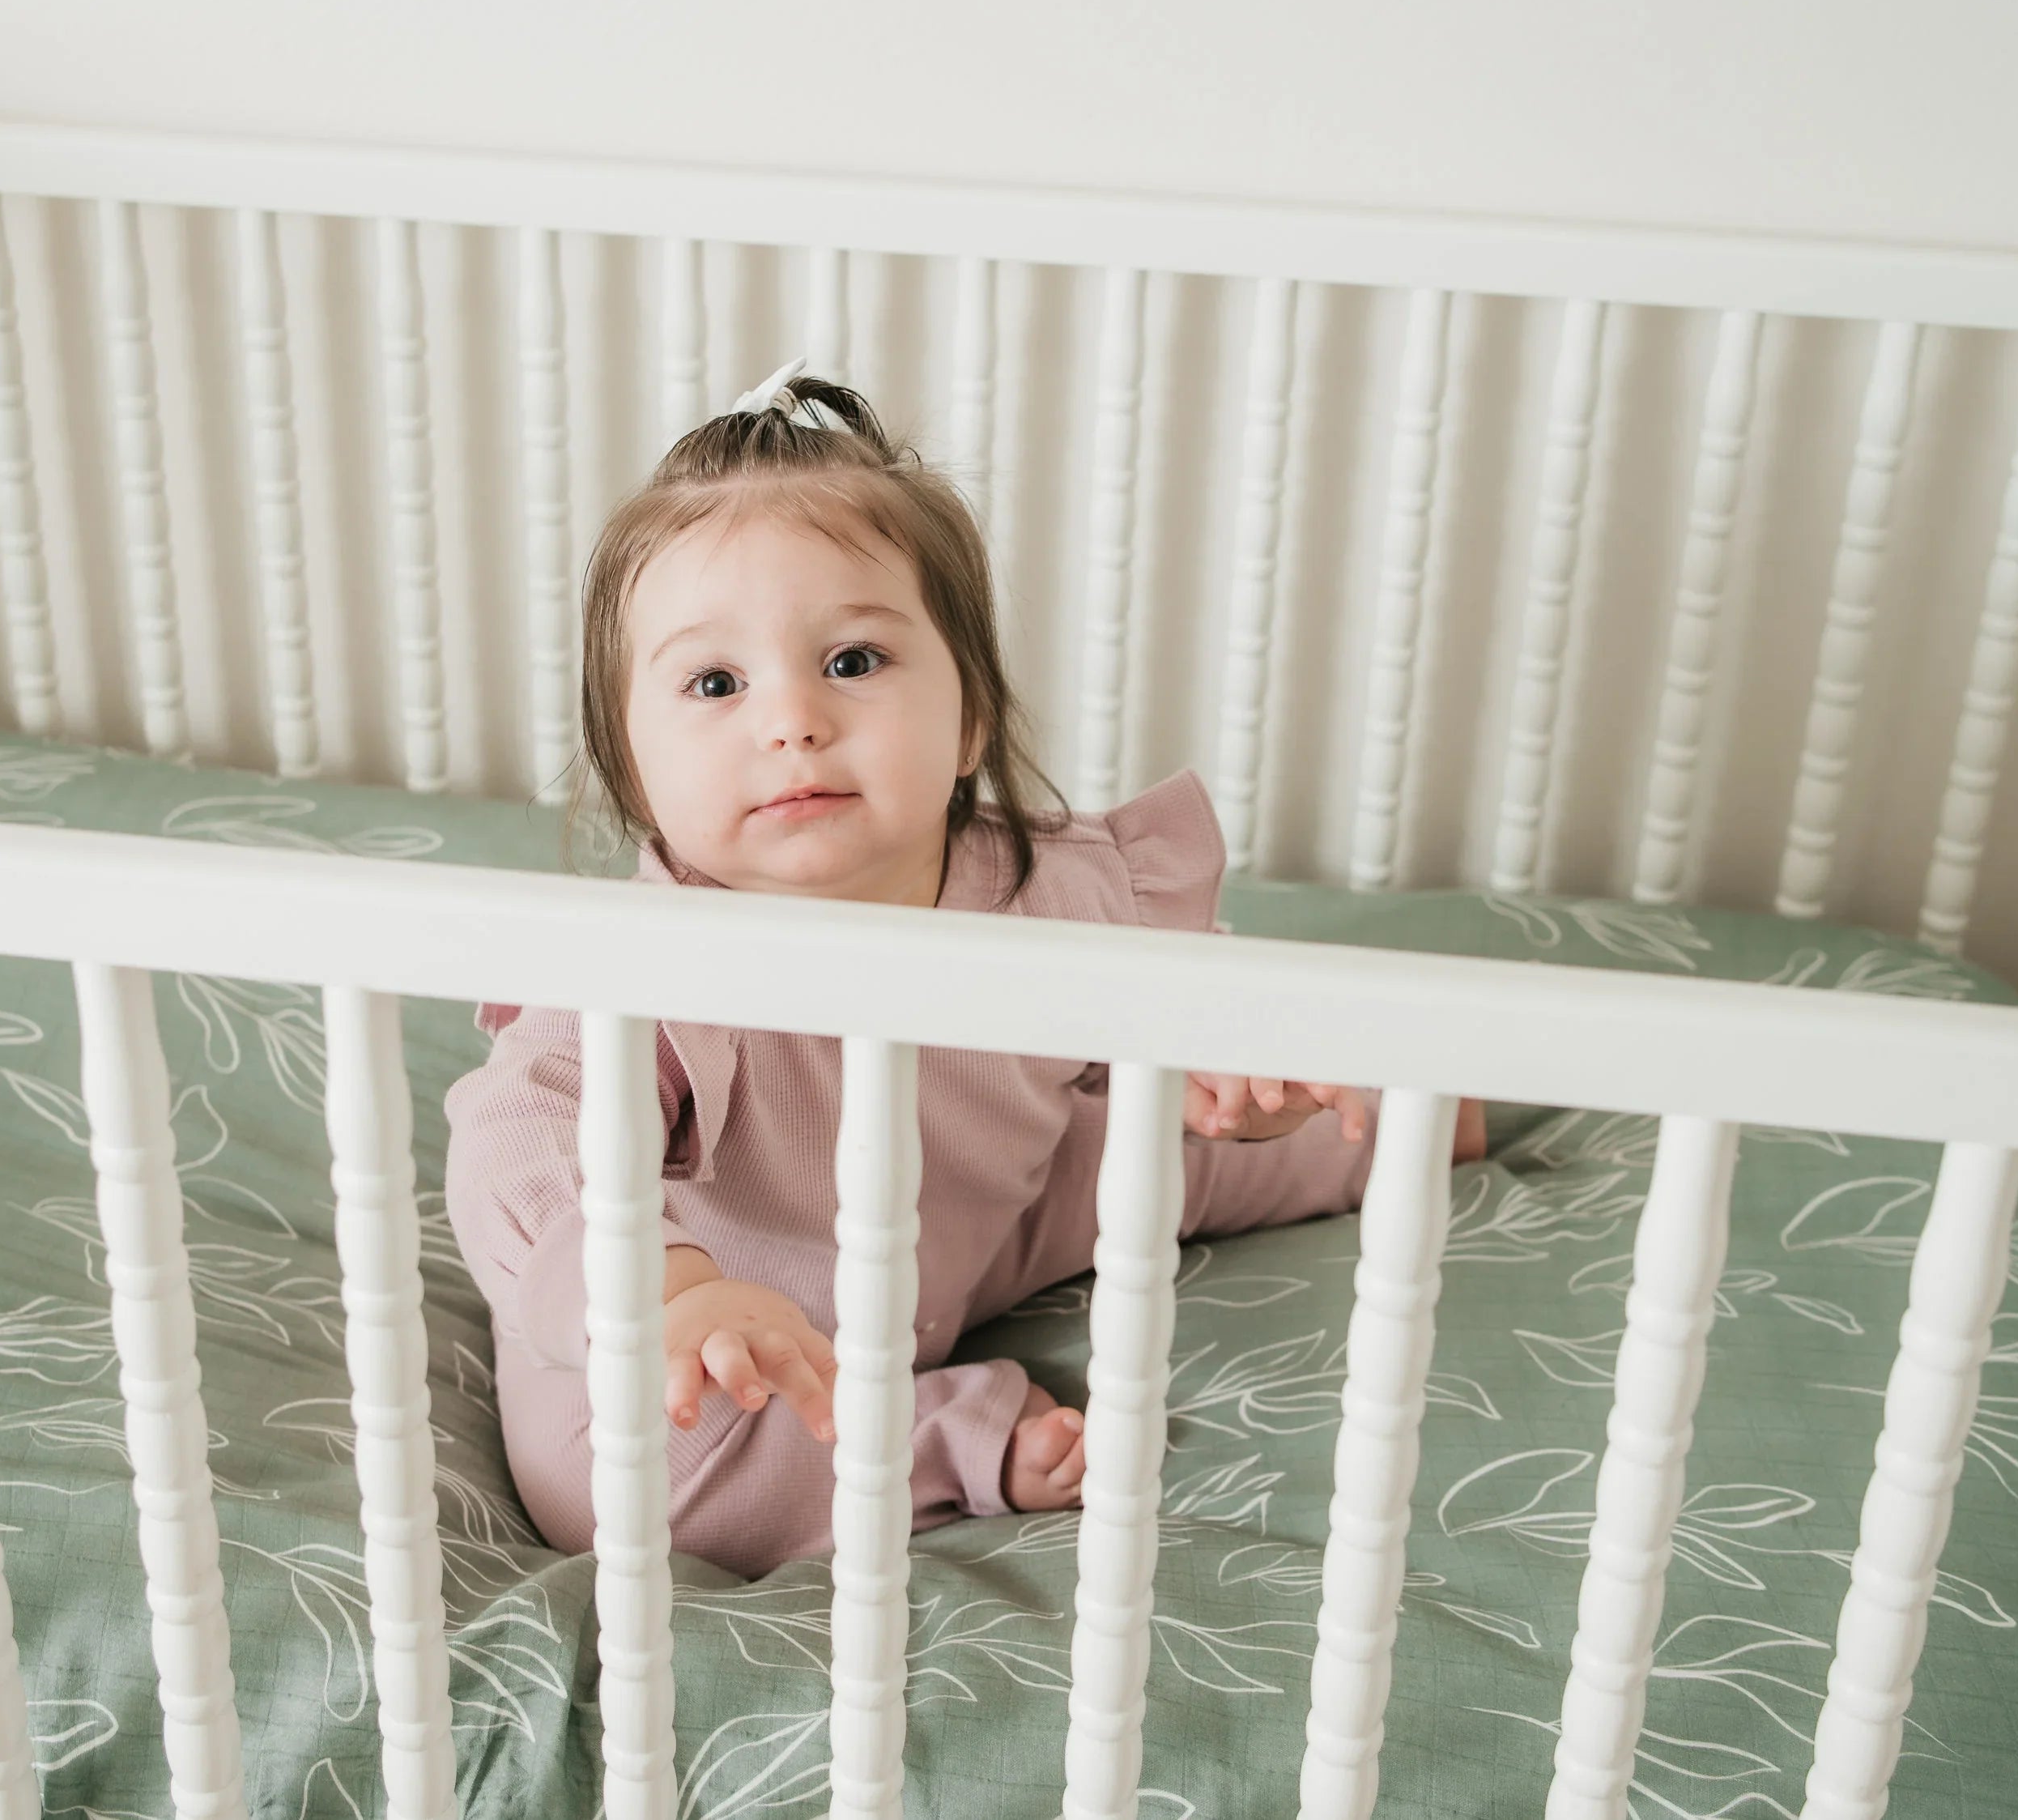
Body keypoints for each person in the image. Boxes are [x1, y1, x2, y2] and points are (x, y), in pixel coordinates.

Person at [445, 360, 1483, 1577]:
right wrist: (664, 1291)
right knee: (634, 1498)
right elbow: (518, 1139)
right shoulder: (643, 978)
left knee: (1156, 1140)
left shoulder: (1055, 894)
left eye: (852, 662)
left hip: (964, 1220)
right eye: (716, 684)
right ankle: (942, 1442)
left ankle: (1379, 1125)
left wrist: (1240, 1063)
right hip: (715, 1362)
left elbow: (1192, 989)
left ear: (972, 715)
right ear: (634, 770)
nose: (792, 721)